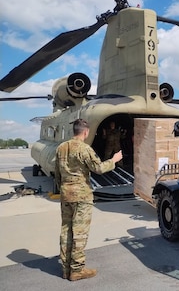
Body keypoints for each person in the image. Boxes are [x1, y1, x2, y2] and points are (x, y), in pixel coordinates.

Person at [55, 119, 123, 281]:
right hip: (81, 196)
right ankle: (77, 270)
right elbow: (98, 168)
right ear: (86, 132)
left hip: (66, 194)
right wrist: (113, 160)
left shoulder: (61, 148)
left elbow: (57, 174)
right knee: (79, 232)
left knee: (66, 230)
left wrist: (64, 188)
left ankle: (66, 268)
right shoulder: (85, 149)